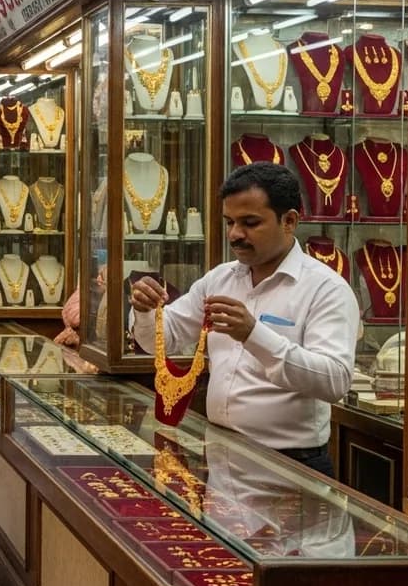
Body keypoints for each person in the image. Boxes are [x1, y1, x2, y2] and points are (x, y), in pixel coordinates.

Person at [129, 163, 358, 476]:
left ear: (289, 221)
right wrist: (144, 310)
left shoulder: (325, 289)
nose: (235, 234)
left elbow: (334, 381)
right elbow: (160, 340)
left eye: (250, 223)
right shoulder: (219, 280)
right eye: (229, 222)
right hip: (220, 453)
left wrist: (253, 334)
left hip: (290, 465)